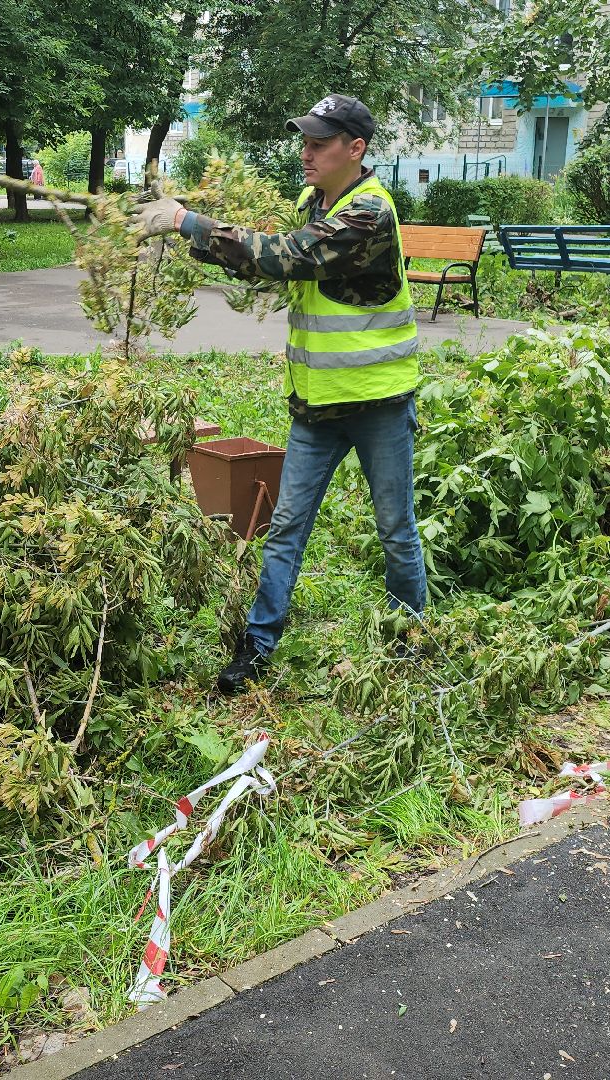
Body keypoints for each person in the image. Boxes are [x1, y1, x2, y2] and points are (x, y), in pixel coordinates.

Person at [130, 93, 425, 695]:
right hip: (315, 403)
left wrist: (189, 221)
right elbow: (267, 265)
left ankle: (409, 640)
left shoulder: (369, 214)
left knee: (395, 527)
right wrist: (195, 238)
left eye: (319, 143)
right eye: (304, 142)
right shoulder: (314, 203)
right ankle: (257, 647)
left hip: (378, 401)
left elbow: (289, 255)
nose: (306, 153)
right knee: (286, 526)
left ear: (356, 149)